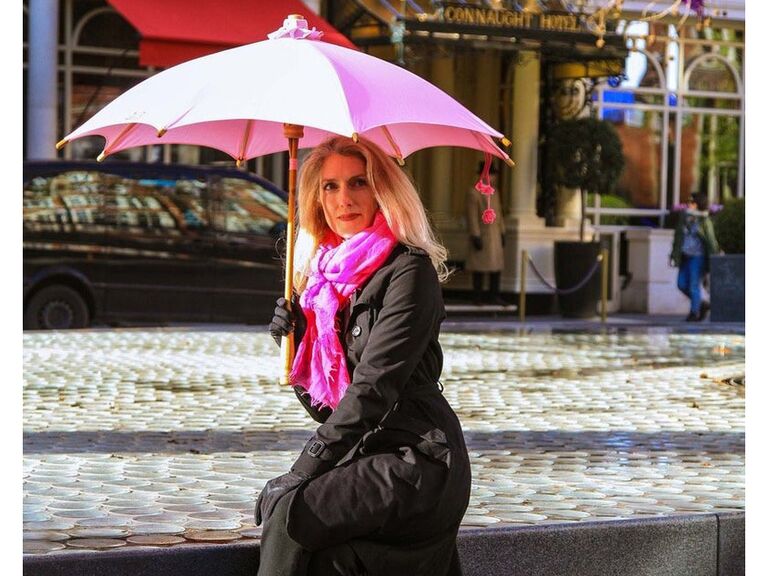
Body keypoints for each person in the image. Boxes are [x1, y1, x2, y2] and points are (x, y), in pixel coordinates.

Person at [261, 136, 472, 576]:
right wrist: (296, 343)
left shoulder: (409, 272)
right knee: (329, 563)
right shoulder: (323, 284)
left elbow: (374, 387)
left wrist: (302, 470)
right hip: (368, 453)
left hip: (418, 460)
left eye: (359, 182)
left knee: (290, 514)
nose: (344, 199)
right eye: (330, 186)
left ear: (382, 190)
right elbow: (327, 408)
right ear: (316, 199)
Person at [670, 192, 720, 321]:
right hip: (685, 256)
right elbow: (678, 238)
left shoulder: (704, 220)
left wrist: (715, 256)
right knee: (681, 284)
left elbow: (710, 240)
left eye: (692, 202)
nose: (689, 204)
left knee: (694, 285)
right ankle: (702, 303)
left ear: (698, 205)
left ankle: (694, 312)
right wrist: (673, 255)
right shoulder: (684, 218)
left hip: (698, 257)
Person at [465, 161, 506, 305]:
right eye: (490, 174)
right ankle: (477, 296)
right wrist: (475, 235)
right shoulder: (473, 192)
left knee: (496, 267)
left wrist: (502, 232)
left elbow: (499, 214)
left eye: (493, 175)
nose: (492, 178)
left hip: (494, 235)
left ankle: (494, 295)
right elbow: (472, 216)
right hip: (482, 234)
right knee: (479, 267)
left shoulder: (495, 193)